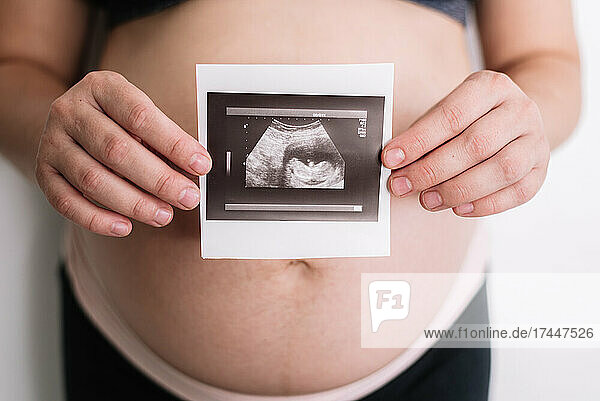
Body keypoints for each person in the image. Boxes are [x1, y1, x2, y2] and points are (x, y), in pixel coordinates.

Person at [0, 1, 581, 400]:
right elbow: (18, 65)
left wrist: (527, 124)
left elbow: (549, 61)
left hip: (422, 345)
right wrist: (46, 135)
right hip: (132, 350)